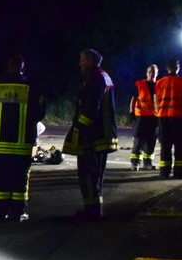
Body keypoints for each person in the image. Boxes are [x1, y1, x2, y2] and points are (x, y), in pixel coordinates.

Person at [0, 55, 47, 222]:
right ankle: (18, 213)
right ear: (22, 68)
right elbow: (40, 112)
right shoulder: (32, 87)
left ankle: (0, 212)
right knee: (20, 178)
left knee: (1, 177)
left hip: (0, 143)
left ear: (7, 67)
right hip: (23, 144)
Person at [63, 49, 118, 221]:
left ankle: (92, 211)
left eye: (82, 60)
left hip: (93, 136)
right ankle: (94, 209)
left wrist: (80, 129)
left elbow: (90, 109)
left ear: (90, 61)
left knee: (88, 174)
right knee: (95, 176)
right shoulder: (102, 76)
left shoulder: (95, 79)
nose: (80, 63)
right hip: (101, 135)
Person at [154, 59, 182, 179]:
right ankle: (179, 171)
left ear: (167, 68)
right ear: (177, 67)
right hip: (179, 116)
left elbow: (156, 101)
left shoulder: (159, 82)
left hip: (163, 117)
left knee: (165, 144)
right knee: (180, 145)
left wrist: (158, 113)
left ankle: (164, 171)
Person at [128, 64, 158, 170]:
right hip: (141, 117)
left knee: (151, 141)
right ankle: (135, 163)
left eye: (154, 71)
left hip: (154, 117)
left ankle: (148, 163)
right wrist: (131, 113)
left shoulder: (159, 85)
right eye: (150, 71)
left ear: (157, 73)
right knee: (138, 141)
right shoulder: (140, 84)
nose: (152, 73)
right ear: (147, 73)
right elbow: (133, 99)